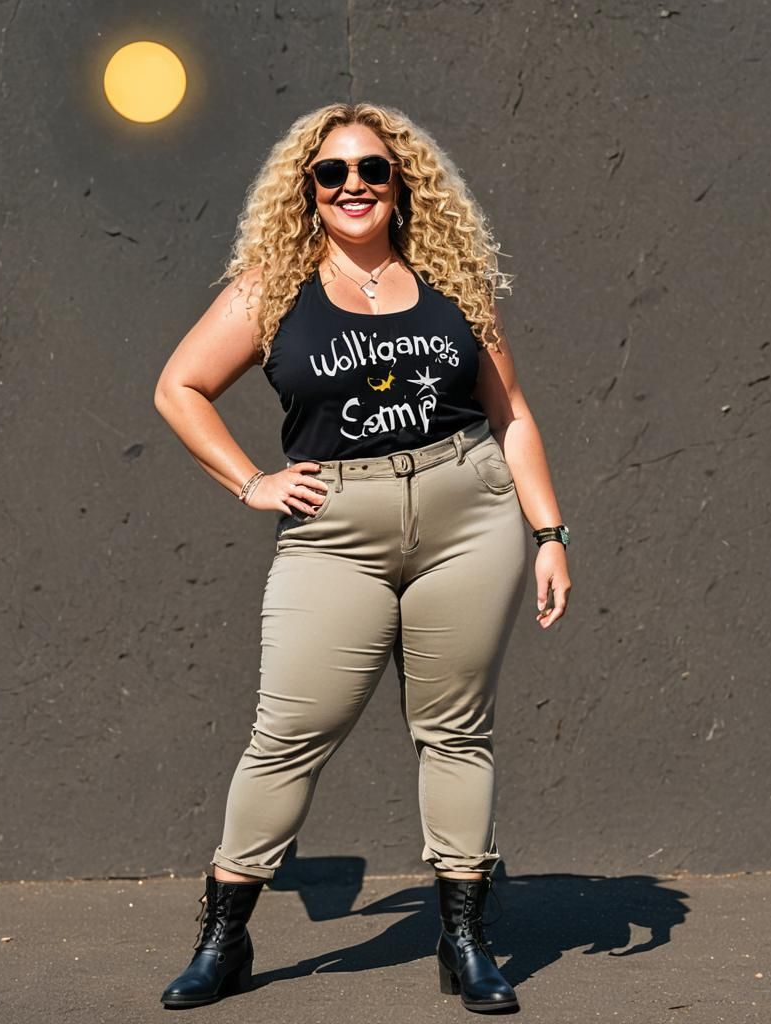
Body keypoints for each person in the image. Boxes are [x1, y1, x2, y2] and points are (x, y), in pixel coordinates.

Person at [152, 101, 571, 1014]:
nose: (354, 186)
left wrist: (547, 533)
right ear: (306, 189)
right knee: (289, 734)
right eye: (333, 172)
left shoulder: (453, 281)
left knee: (456, 729)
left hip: (471, 515)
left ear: (400, 184)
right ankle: (224, 934)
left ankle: (464, 938)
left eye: (372, 170)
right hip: (336, 530)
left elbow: (513, 418)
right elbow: (179, 386)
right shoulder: (271, 287)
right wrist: (250, 481)